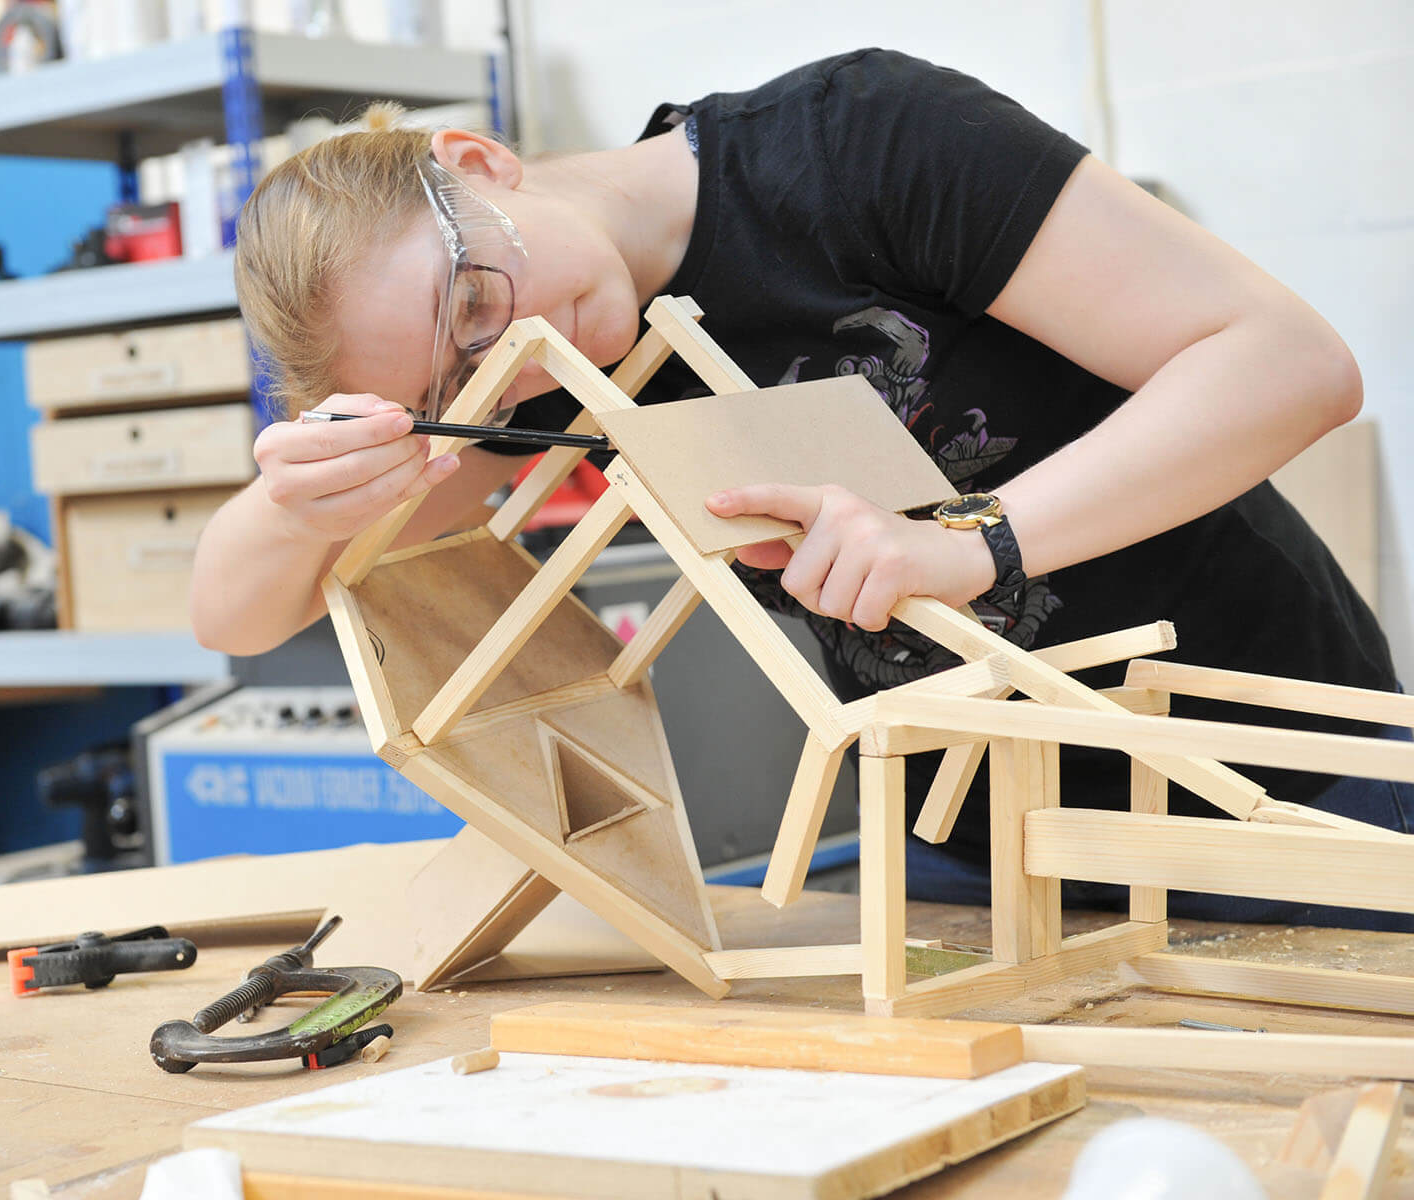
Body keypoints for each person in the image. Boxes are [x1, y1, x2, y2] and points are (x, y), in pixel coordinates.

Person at [193, 49, 1411, 929]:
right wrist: (293, 503)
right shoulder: (542, 366)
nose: (512, 363)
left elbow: (1290, 365)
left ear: (480, 164)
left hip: (1283, 785)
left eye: (472, 300)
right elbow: (236, 617)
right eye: (462, 378)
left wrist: (972, 543)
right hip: (982, 857)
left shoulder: (860, 146)